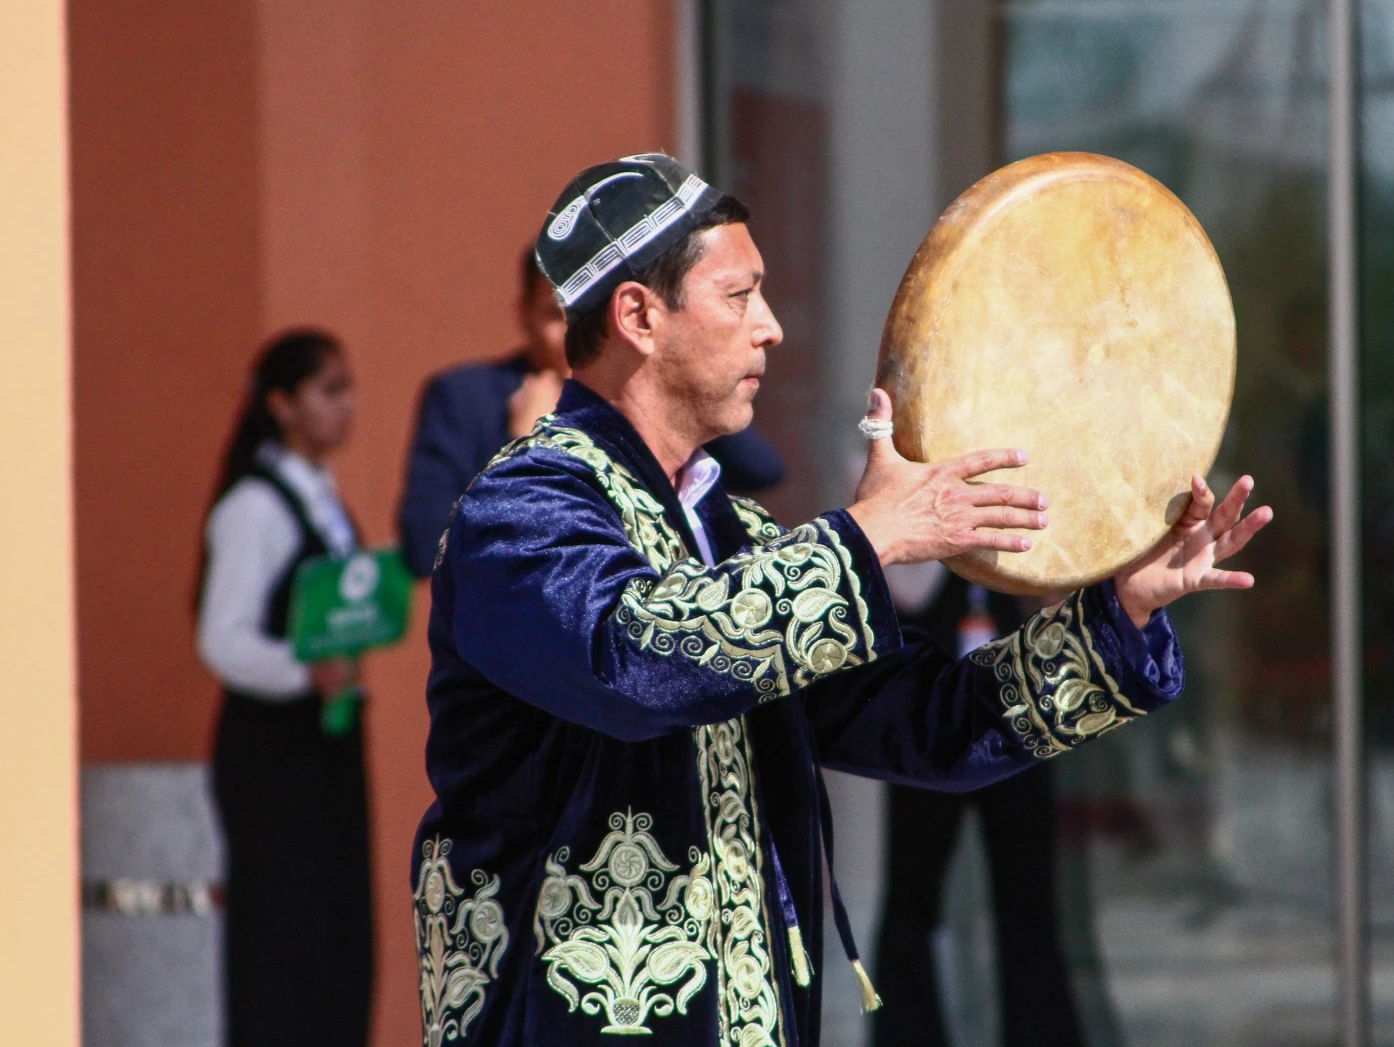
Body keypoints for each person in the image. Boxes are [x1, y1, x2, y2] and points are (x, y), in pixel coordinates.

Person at [410, 153, 1271, 1046]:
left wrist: (1119, 613)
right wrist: (871, 537)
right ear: (638, 316)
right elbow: (639, 661)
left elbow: (930, 722)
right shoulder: (517, 514)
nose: (771, 328)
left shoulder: (737, 533)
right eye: (739, 295)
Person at [397, 253, 787, 578]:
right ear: (524, 315)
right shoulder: (467, 396)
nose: (571, 332)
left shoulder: (639, 388)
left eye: (582, 313)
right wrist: (523, 445)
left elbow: (764, 469)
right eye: (555, 314)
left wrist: (691, 387)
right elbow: (424, 544)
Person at [198, 329, 372, 1047]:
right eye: (328, 390)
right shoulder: (255, 508)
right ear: (281, 404)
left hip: (324, 749)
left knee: (336, 936)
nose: (347, 405)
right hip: (273, 761)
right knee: (283, 946)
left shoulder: (322, 498)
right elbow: (222, 637)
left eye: (347, 387)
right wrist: (304, 672)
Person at [871, 568, 1084, 1047]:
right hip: (924, 701)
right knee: (911, 895)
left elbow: (1058, 584)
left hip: (1018, 700)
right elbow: (902, 582)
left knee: (1028, 896)